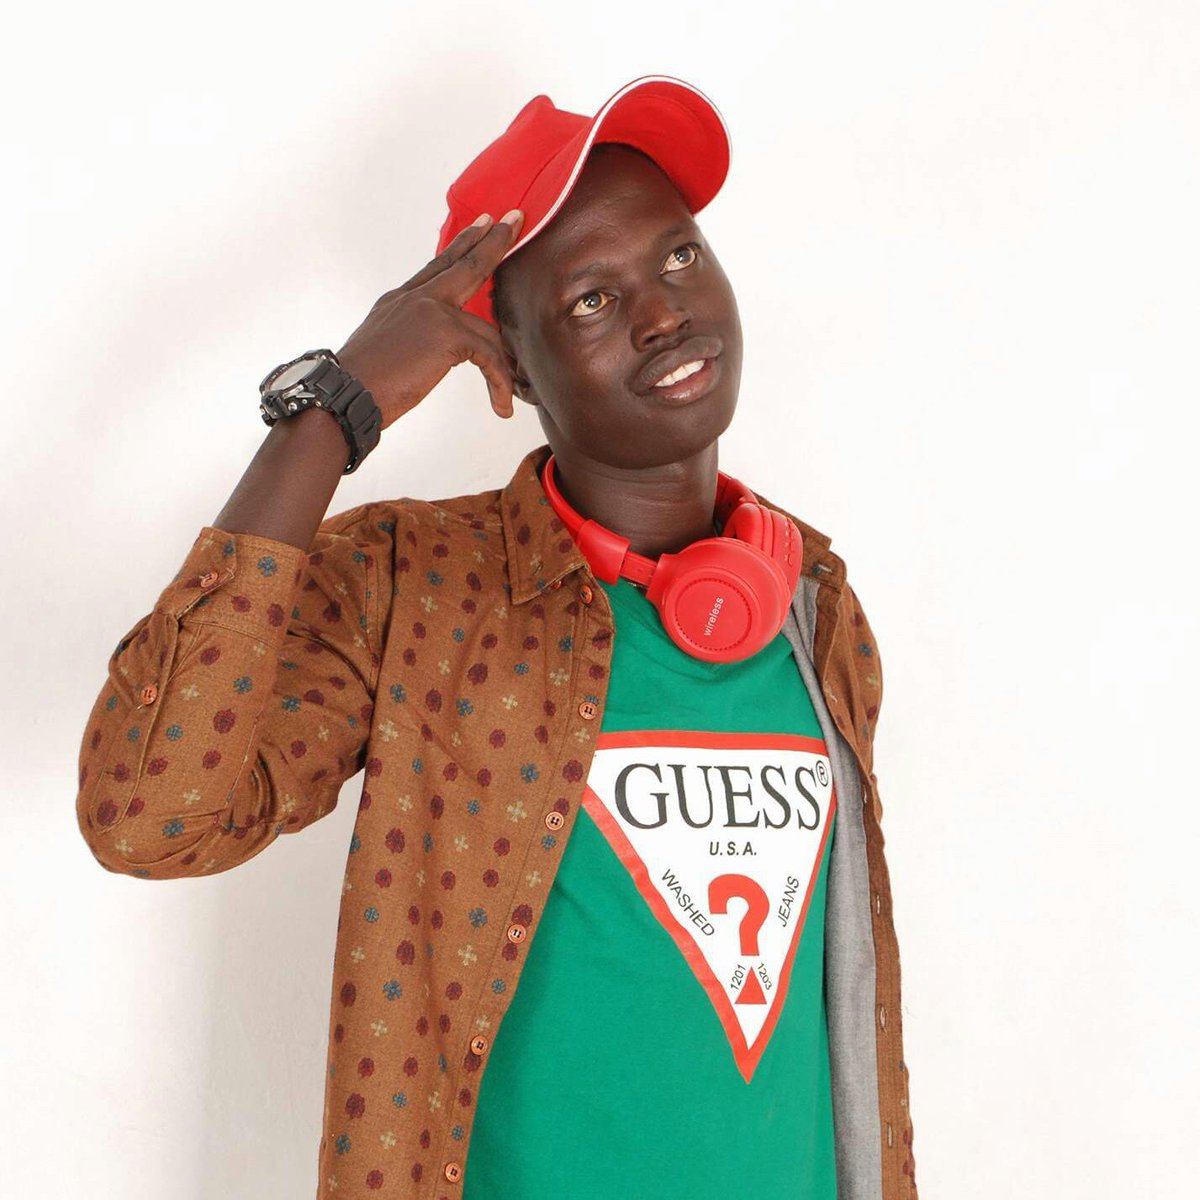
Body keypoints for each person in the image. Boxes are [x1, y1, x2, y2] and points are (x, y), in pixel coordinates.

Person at [76, 75, 918, 1199]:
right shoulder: (412, 586)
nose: (663, 314)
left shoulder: (814, 601)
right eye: (591, 299)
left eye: (678, 256)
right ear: (512, 368)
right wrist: (332, 410)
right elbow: (147, 817)